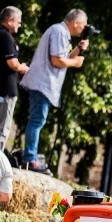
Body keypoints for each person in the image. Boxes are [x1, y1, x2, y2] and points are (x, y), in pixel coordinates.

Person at [19, 9, 89, 174]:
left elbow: (64, 57)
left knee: (38, 120)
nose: (83, 29)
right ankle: (29, 159)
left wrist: (78, 50)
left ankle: (31, 156)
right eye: (83, 26)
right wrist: (76, 63)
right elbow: (57, 60)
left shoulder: (61, 32)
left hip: (44, 84)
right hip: (43, 83)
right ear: (76, 22)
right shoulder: (59, 32)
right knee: (37, 121)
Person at [0, 6, 29, 150]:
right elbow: (12, 63)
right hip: (5, 89)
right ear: (10, 21)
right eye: (18, 22)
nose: (19, 25)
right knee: (2, 127)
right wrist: (23, 68)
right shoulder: (7, 37)